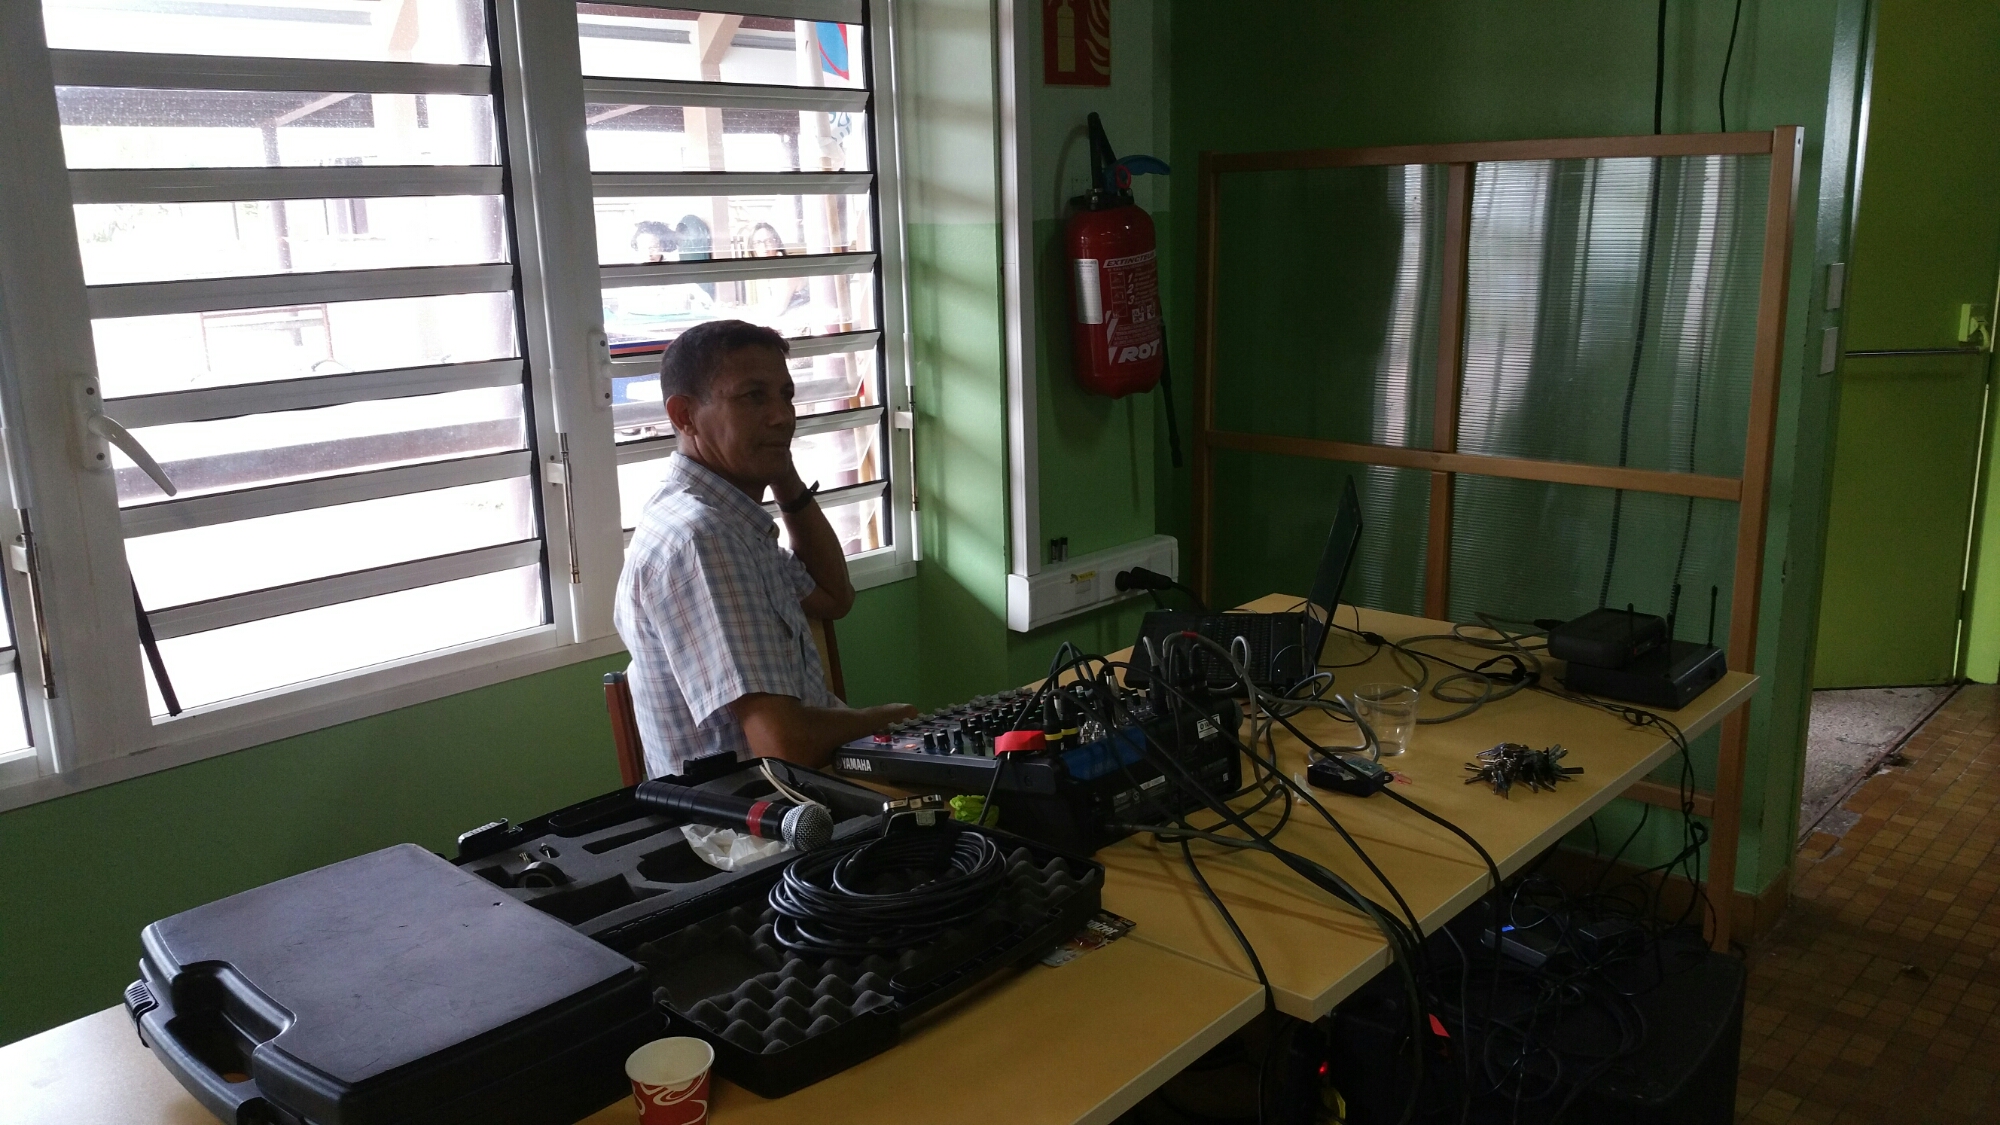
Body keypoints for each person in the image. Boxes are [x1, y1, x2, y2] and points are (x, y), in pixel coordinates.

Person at [613, 319, 916, 777]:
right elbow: (783, 747)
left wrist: (783, 474)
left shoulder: (730, 519)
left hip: (803, 787)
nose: (782, 417)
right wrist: (893, 719)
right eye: (753, 397)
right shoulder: (704, 539)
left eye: (786, 395)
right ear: (684, 416)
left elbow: (833, 597)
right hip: (764, 808)